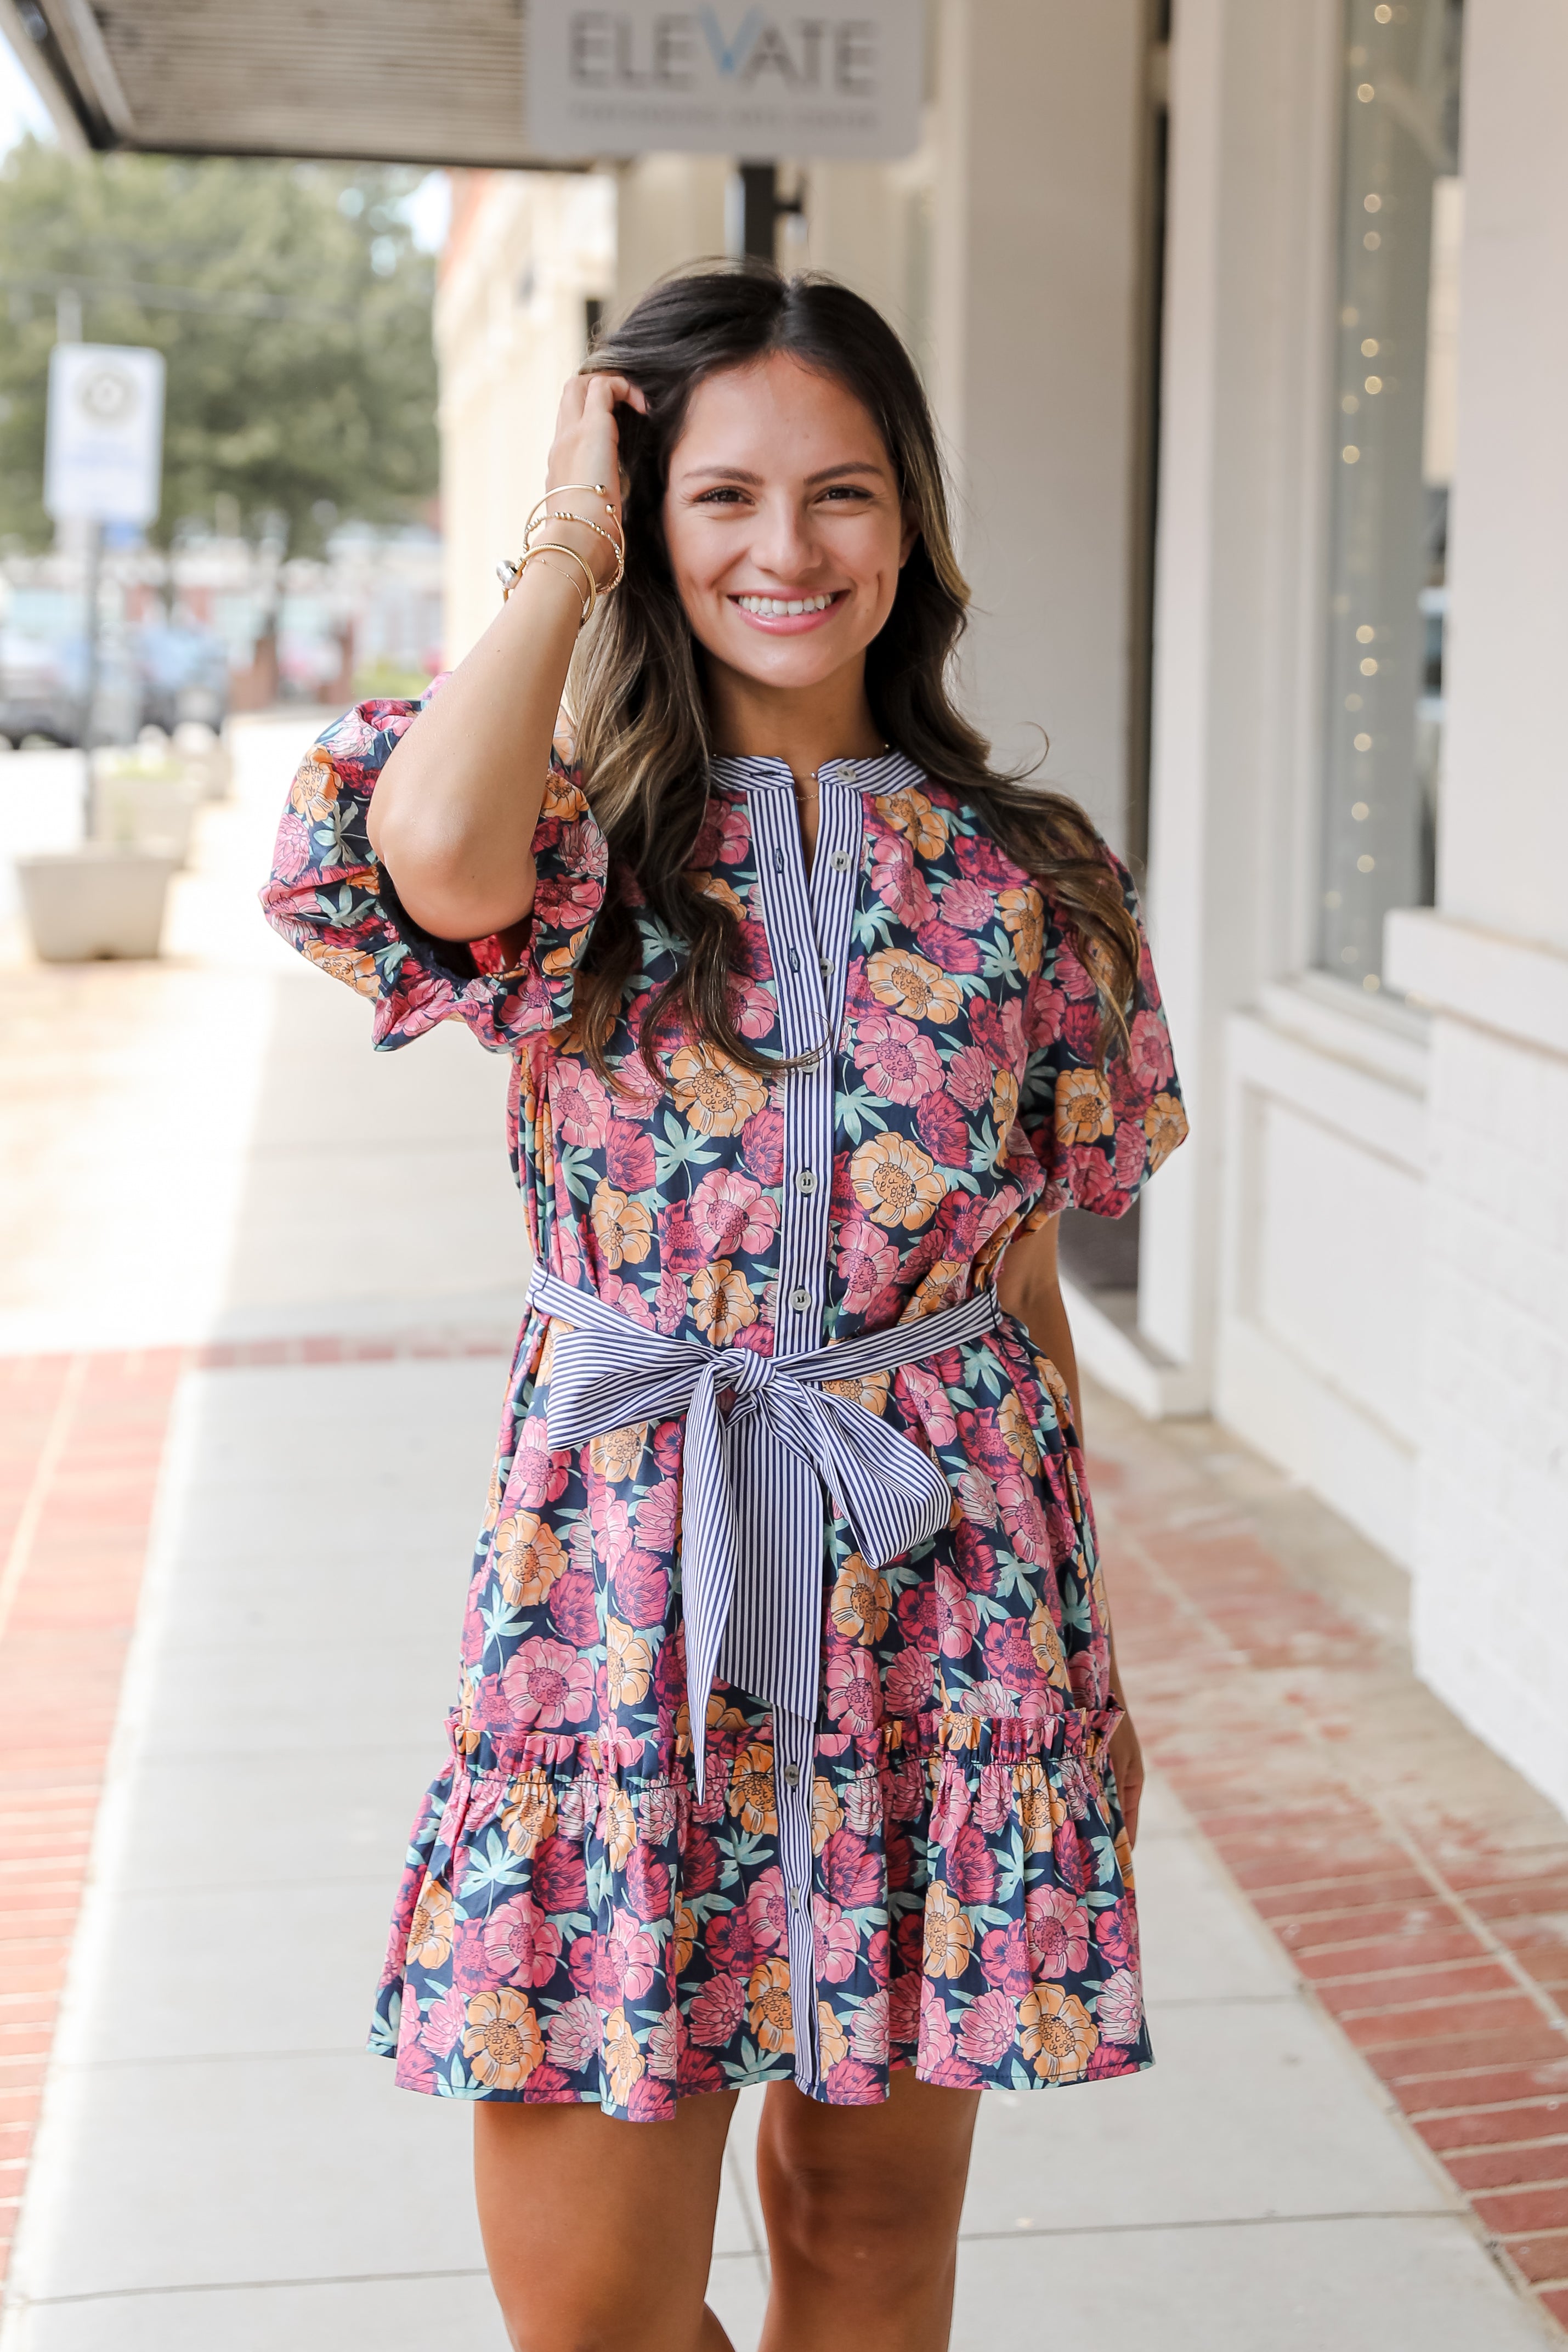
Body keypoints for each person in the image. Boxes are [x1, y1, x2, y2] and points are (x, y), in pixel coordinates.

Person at [262, 262, 1187, 2352]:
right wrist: (568, 535)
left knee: (869, 2249)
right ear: (655, 528)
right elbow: (421, 845)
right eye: (724, 498)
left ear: (911, 525)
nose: (789, 550)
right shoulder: (571, 844)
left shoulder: (1032, 879)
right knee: (589, 2308)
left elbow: (1023, 1274)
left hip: (937, 1588)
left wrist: (1088, 1663)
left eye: (843, 494)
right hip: (617, 1589)